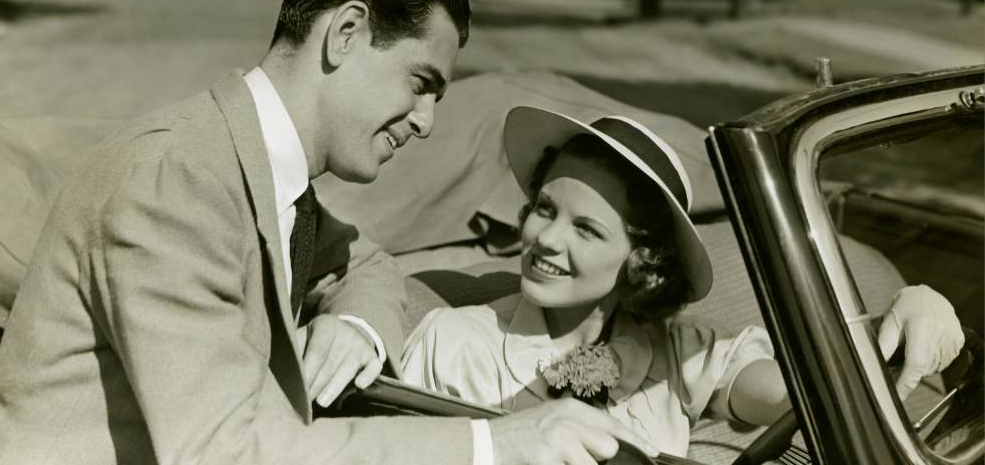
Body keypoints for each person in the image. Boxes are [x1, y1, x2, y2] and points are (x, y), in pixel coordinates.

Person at [0, 0, 657, 465]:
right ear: (347, 34)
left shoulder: (257, 168)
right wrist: (491, 443)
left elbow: (368, 264)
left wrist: (356, 324)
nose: (426, 122)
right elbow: (223, 452)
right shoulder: (176, 179)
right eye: (421, 82)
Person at [401, 106, 966, 457]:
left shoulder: (680, 352)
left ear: (641, 258)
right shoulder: (450, 344)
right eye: (544, 209)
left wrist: (899, 321)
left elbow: (808, 395)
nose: (546, 239)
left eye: (587, 230)